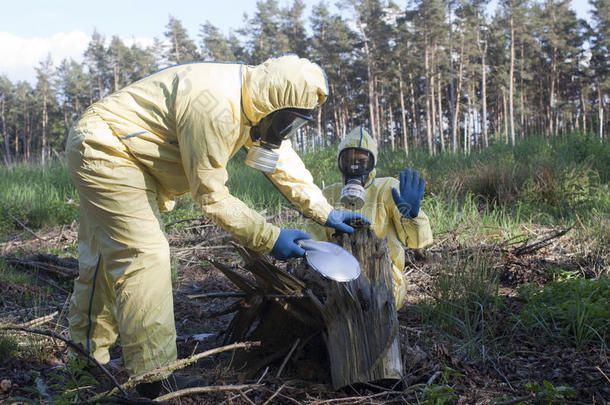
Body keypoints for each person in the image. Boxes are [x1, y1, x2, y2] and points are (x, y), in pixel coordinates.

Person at [65, 55, 367, 397]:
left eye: (296, 124)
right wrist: (270, 238)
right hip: (107, 149)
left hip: (114, 146)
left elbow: (281, 161)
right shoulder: (216, 106)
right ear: (276, 104)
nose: (286, 131)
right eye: (289, 122)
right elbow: (211, 197)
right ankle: (153, 382)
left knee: (106, 260)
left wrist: (325, 212)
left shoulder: (255, 100)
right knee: (145, 255)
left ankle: (83, 358)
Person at [306, 126, 433, 310]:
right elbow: (316, 244)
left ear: (372, 164)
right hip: (336, 273)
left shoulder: (388, 189)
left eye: (362, 161)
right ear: (340, 163)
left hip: (382, 274)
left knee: (374, 303)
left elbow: (416, 241)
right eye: (349, 160)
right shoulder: (328, 195)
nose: (355, 167)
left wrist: (412, 215)